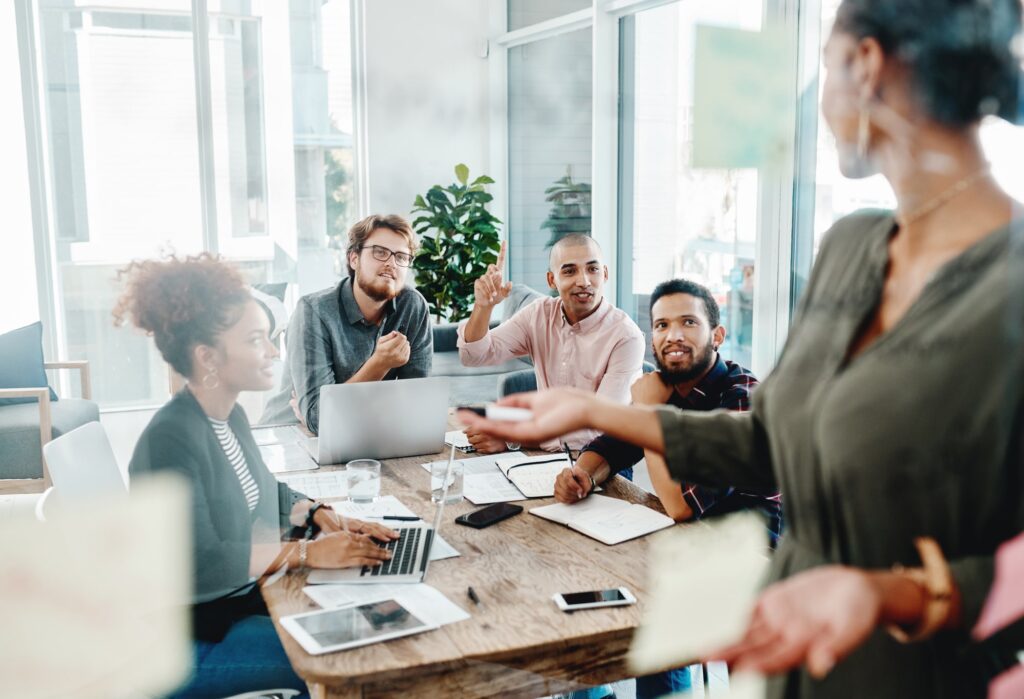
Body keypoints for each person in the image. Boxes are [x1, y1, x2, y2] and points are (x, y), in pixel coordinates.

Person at [459, 0, 1024, 696]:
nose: (816, 104)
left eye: (821, 70)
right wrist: (587, 408)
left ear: (867, 64)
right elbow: (769, 440)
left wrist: (891, 594)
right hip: (789, 659)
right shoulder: (852, 247)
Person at [117, 253, 398, 698]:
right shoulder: (170, 439)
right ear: (207, 356)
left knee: (378, 624)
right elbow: (203, 562)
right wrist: (309, 553)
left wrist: (322, 515)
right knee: (344, 662)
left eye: (270, 338)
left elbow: (270, 491)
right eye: (255, 340)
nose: (272, 352)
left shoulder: (228, 418)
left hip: (236, 606)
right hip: (189, 640)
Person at [556, 278, 781, 538]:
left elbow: (681, 506)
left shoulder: (744, 401)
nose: (673, 336)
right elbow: (613, 446)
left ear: (717, 336)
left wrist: (649, 411)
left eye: (689, 322)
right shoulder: (666, 387)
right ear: (653, 341)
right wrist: (582, 476)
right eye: (662, 325)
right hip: (691, 543)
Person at [458, 234, 645, 452]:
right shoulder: (538, 314)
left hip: (603, 459)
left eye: (592, 269)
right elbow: (474, 355)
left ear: (604, 274)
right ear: (551, 280)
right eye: (569, 271)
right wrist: (483, 307)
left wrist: (511, 438)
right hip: (544, 450)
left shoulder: (626, 337)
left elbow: (600, 428)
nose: (583, 281)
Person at [262, 214, 432, 434]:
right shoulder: (313, 312)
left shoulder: (413, 306)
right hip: (287, 436)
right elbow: (319, 419)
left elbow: (415, 405)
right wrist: (379, 364)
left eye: (401, 256)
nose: (391, 263)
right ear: (354, 259)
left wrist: (337, 407)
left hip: (364, 430)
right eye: (380, 252)